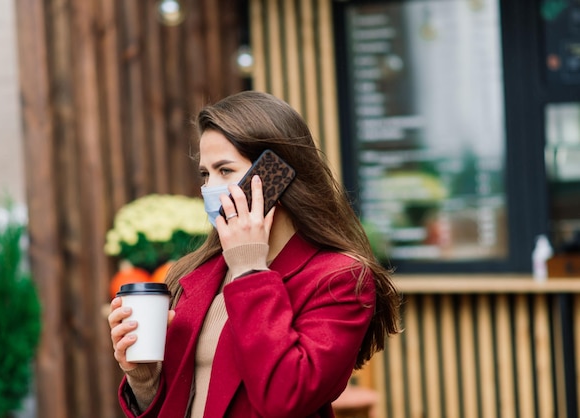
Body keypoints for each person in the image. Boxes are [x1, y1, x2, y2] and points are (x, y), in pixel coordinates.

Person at [108, 91, 401, 418]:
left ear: (276, 173)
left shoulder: (338, 278)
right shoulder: (194, 274)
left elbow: (286, 397)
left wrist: (249, 269)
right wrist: (145, 380)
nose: (210, 188)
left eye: (225, 170)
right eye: (206, 174)